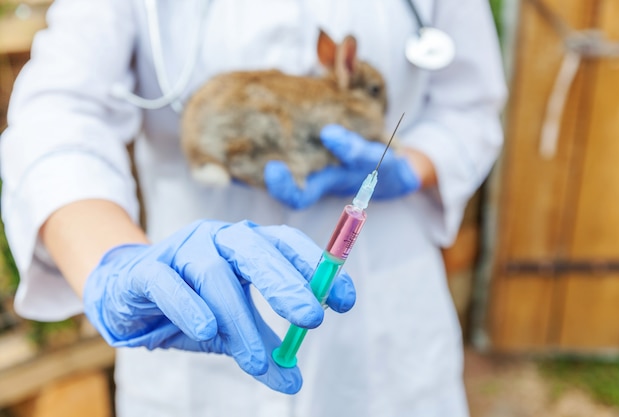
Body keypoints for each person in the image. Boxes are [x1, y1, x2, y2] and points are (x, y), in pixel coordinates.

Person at [1, 0, 506, 416]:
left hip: (384, 324)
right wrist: (110, 261)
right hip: (194, 297)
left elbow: (470, 106)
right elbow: (59, 110)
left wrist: (412, 166)